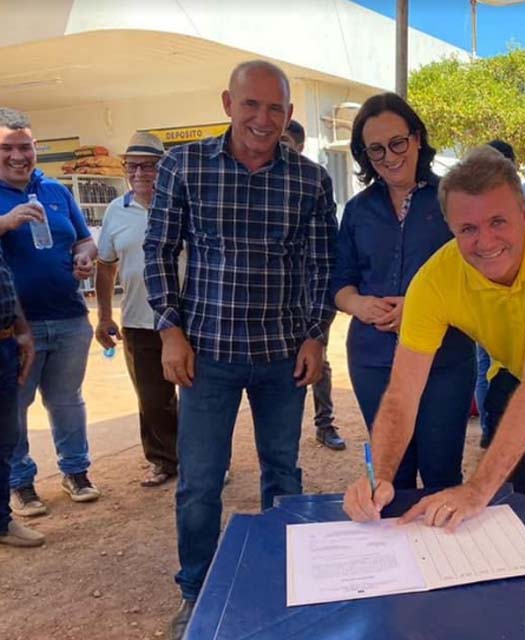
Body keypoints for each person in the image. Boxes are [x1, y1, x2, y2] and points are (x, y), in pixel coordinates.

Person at [341, 145, 525, 598]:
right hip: (516, 372)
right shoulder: (434, 280)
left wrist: (475, 487)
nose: (485, 240)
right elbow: (402, 391)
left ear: (524, 212)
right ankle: (501, 593)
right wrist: (380, 474)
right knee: (502, 495)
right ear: (451, 229)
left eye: (498, 221)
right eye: (468, 228)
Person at [142, 60, 338, 639]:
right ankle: (197, 591)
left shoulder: (309, 179)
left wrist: (315, 334)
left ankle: (285, 579)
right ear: (228, 104)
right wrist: (170, 329)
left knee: (284, 473)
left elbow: (320, 263)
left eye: (275, 108)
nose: (263, 118)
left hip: (282, 356)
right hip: (207, 356)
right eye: (251, 105)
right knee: (200, 481)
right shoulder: (185, 164)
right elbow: (159, 248)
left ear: (289, 115)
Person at [332, 92, 475, 491]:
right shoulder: (358, 211)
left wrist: (421, 307)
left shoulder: (456, 198)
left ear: (416, 138)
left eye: (398, 143)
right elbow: (339, 283)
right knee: (390, 476)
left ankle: (440, 555)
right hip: (373, 360)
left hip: (443, 359)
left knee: (441, 475)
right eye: (375, 150)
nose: (390, 157)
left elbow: (478, 276)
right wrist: (359, 304)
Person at [0, 106, 101, 518]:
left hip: (69, 317)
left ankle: (76, 472)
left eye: (25, 147)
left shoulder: (56, 191)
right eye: (8, 148)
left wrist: (85, 257)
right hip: (13, 328)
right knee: (13, 405)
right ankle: (20, 483)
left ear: (36, 149)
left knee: (67, 400)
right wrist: (5, 222)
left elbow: (84, 240)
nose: (18, 156)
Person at [95, 132, 179, 487]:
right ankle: (163, 460)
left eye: (149, 165)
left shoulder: (181, 204)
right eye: (133, 166)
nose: (140, 173)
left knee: (197, 399)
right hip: (137, 321)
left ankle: (204, 462)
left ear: (165, 168)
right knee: (151, 398)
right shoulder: (116, 210)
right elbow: (105, 265)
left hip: (184, 321)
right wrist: (103, 316)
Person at [281, 118, 345, 451]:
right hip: (279, 300)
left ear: (300, 146)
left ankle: (325, 424)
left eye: (286, 143)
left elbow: (327, 251)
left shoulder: (313, 182)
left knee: (319, 359)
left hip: (312, 295)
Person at [0, 244, 43, 547]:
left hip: (5, 344)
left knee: (5, 437)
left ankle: (1, 522)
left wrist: (22, 331)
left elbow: (6, 283)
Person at [477, 139, 517, 450]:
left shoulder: (517, 205)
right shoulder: (471, 204)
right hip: (481, 305)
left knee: (515, 371)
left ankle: (507, 438)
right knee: (484, 369)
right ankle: (492, 433)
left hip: (515, 304)